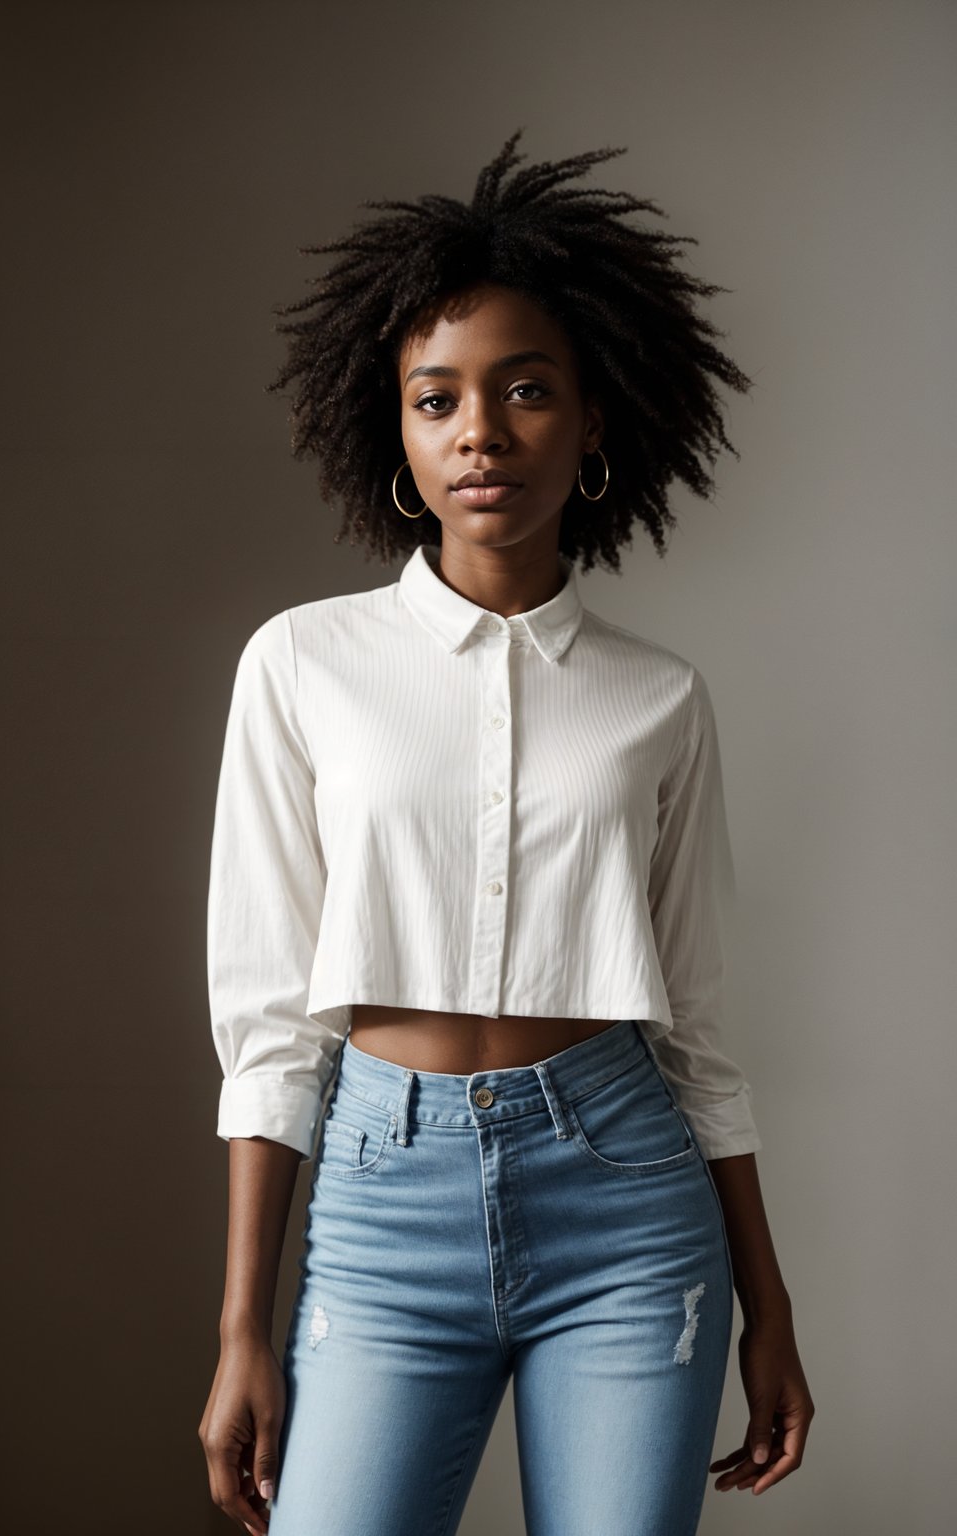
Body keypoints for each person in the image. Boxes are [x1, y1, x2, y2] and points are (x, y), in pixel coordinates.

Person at [197, 133, 814, 1536]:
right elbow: (272, 1027)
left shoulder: (658, 700)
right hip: (376, 1204)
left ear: (595, 421)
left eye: (528, 390)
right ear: (399, 435)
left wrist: (768, 1307)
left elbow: (703, 1032)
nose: (483, 430)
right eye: (440, 399)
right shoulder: (301, 665)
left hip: (626, 1203)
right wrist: (243, 1326)